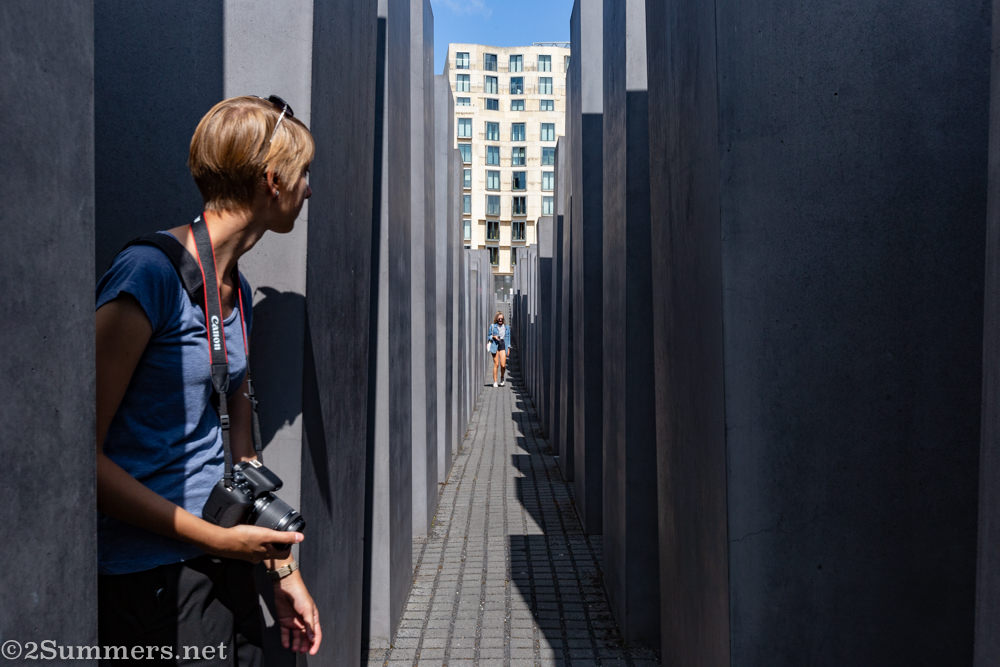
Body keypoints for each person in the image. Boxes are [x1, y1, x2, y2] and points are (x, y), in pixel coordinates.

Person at [95, 95, 321, 663]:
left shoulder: (236, 291)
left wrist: (281, 569)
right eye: (305, 173)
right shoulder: (149, 273)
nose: (309, 189)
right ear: (273, 180)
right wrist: (218, 540)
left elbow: (238, 458)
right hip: (149, 580)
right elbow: (74, 454)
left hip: (224, 562)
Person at [488, 310, 511, 387]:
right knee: (496, 364)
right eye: (499, 319)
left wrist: (508, 348)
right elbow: (489, 336)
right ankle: (495, 381)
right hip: (495, 344)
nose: (500, 320)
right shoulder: (492, 326)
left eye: (502, 319)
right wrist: (493, 336)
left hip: (503, 344)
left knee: (503, 365)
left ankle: (502, 377)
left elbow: (508, 338)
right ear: (496, 319)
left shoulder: (507, 327)